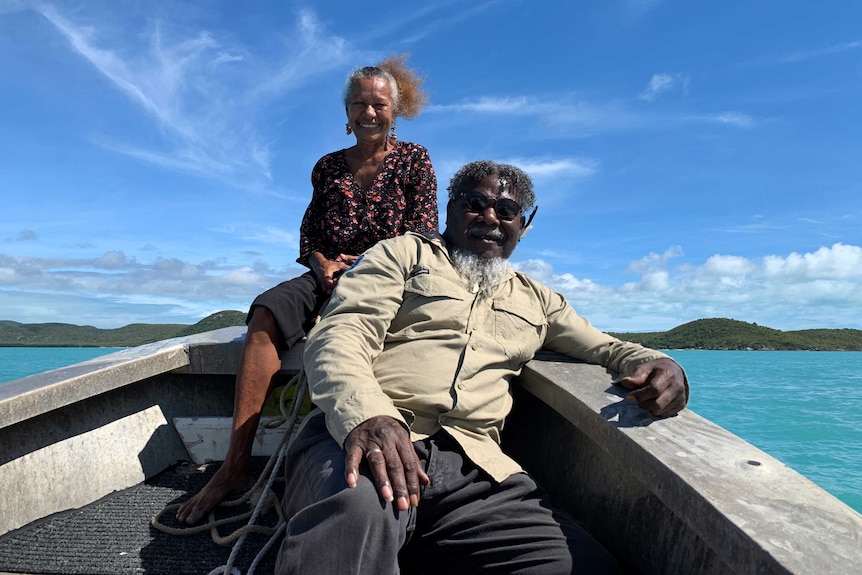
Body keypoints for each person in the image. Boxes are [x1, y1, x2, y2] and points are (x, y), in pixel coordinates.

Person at [274, 160, 689, 574]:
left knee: (582, 566)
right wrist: (368, 414)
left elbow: (606, 347)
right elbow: (343, 330)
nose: (490, 217)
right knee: (354, 511)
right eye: (475, 204)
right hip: (367, 438)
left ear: (521, 226)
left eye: (505, 210)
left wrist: (662, 364)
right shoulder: (402, 254)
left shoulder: (539, 300)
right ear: (451, 211)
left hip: (474, 469)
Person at [176, 55, 439, 525]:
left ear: (394, 111)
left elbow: (422, 235)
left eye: (379, 104)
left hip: (387, 278)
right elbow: (311, 236)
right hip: (326, 275)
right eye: (359, 103)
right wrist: (322, 265)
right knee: (265, 313)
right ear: (347, 113)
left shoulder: (414, 160)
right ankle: (234, 467)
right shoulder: (327, 166)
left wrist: (362, 265)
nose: (369, 112)